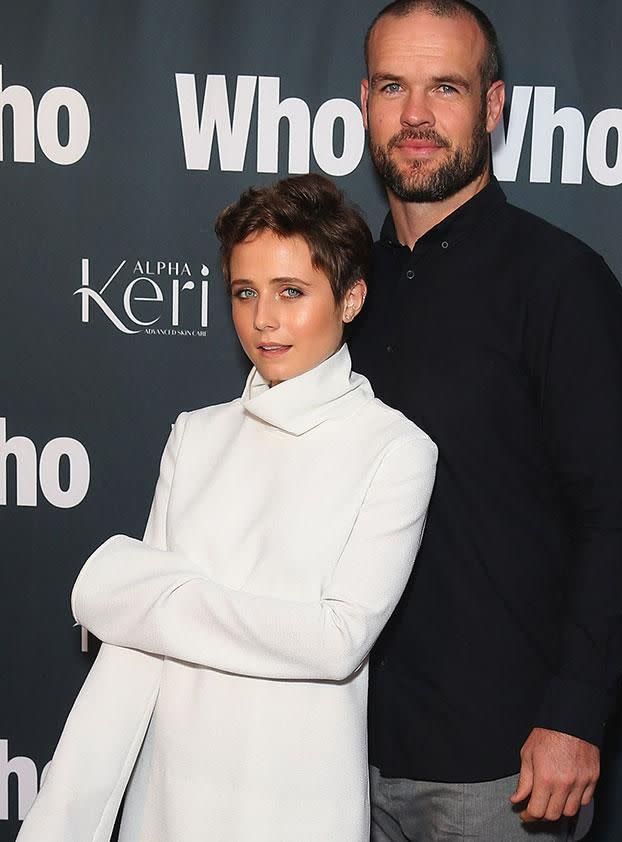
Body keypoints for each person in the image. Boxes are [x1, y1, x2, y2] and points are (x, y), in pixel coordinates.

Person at [16, 174, 437, 842]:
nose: (263, 319)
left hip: (298, 794)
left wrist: (138, 594)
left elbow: (335, 642)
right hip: (169, 792)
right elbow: (132, 649)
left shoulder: (395, 449)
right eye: (246, 293)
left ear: (352, 297)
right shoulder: (197, 434)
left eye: (290, 292)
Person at [350, 2, 622, 840]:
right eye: (392, 87)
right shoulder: (339, 289)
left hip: (504, 770)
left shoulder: (560, 282)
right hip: (335, 755)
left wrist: (575, 716)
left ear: (492, 106)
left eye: (445, 87)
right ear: (364, 102)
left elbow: (616, 522)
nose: (415, 116)